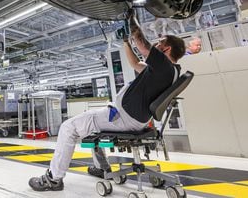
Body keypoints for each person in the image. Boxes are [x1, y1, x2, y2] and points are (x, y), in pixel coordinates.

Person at [28, 10, 186, 191]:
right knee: (89, 125)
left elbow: (141, 42)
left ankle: (53, 179)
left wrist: (130, 16)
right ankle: (102, 168)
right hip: (131, 119)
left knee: (68, 128)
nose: (157, 45)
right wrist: (126, 41)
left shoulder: (164, 67)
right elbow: (135, 63)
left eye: (160, 43)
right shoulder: (167, 73)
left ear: (167, 49)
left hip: (123, 118)